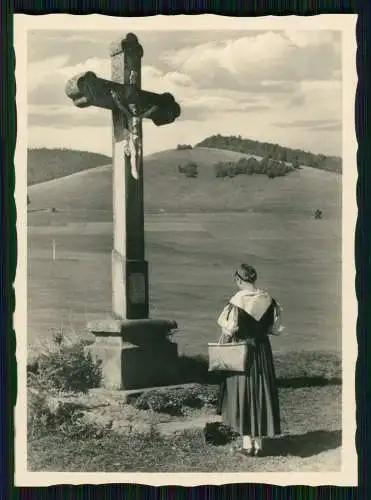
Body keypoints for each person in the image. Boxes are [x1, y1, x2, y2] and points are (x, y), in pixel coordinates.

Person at [216, 263, 283, 457]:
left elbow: (230, 328)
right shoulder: (268, 299)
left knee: (243, 392)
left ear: (238, 279)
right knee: (261, 390)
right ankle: (259, 445)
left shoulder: (237, 301)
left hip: (243, 351)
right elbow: (274, 329)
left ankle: (247, 444)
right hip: (262, 350)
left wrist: (225, 329)